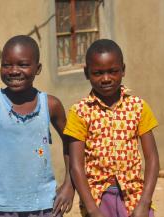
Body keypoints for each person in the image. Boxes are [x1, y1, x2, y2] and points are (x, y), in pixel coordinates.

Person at [0, 35, 74, 217]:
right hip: (1, 207)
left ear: (38, 68)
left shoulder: (50, 105)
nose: (14, 71)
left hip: (45, 205)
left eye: (23, 64)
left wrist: (69, 184)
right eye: (6, 65)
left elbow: (72, 143)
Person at [64, 39, 159, 217]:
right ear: (86, 73)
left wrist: (144, 203)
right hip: (98, 199)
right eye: (98, 73)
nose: (106, 78)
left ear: (123, 70)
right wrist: (92, 210)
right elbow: (76, 166)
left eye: (113, 71)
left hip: (135, 198)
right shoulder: (79, 112)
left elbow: (152, 158)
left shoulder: (138, 107)